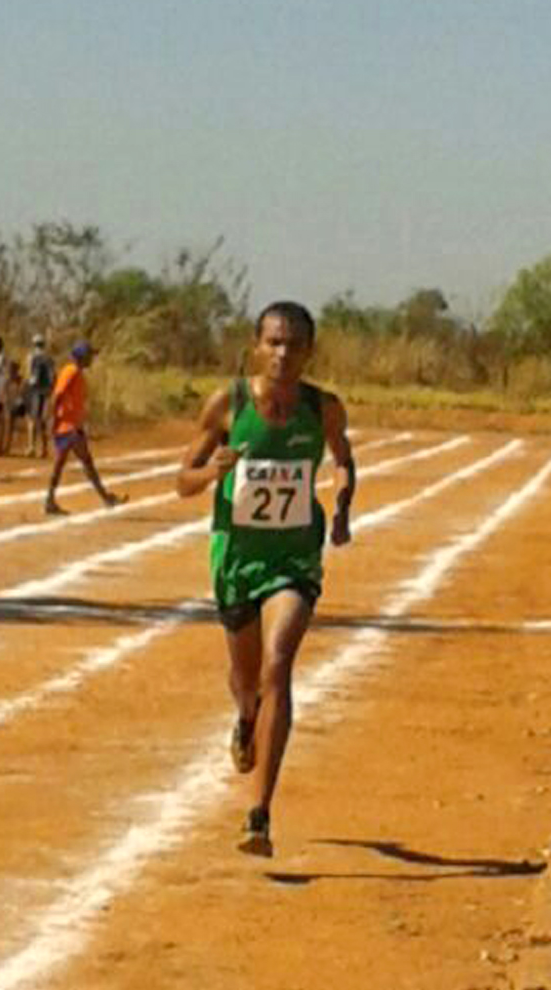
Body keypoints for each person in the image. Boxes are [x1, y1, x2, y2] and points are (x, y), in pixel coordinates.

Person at [176, 301, 355, 857]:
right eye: (274, 343)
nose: (283, 354)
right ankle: (247, 716)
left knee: (280, 662)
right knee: (247, 678)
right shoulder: (228, 404)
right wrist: (213, 471)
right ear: (257, 346)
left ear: (309, 352)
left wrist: (343, 503)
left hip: (294, 557)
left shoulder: (322, 408)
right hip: (237, 559)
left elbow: (343, 458)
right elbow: (182, 480)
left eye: (295, 345)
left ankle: (259, 815)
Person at [43, 341, 125, 515]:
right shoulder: (71, 371)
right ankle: (105, 498)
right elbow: (57, 395)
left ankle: (50, 500)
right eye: (89, 356)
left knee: (66, 464)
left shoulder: (76, 373)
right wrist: (52, 419)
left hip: (71, 425)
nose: (92, 359)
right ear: (82, 356)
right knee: (85, 463)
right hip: (67, 426)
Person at [23, 334, 56, 458]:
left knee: (31, 419)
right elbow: (53, 376)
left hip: (34, 389)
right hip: (46, 391)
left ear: (33, 344)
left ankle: (31, 447)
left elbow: (29, 374)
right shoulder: (49, 358)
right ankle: (44, 448)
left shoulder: (31, 357)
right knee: (42, 420)